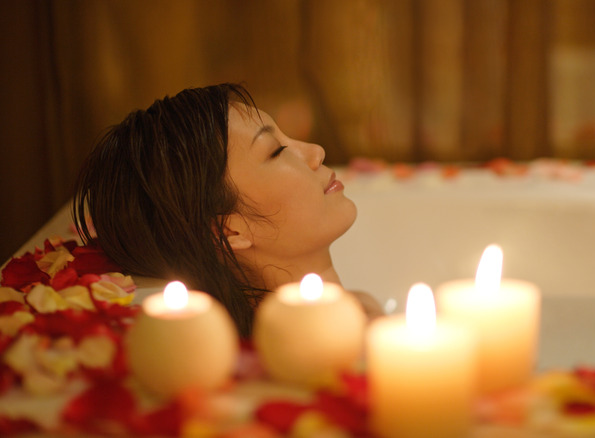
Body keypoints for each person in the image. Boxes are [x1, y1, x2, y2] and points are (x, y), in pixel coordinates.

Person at [73, 83, 381, 337]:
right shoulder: (299, 354)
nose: (316, 152)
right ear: (229, 230)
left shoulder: (357, 313)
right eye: (276, 151)